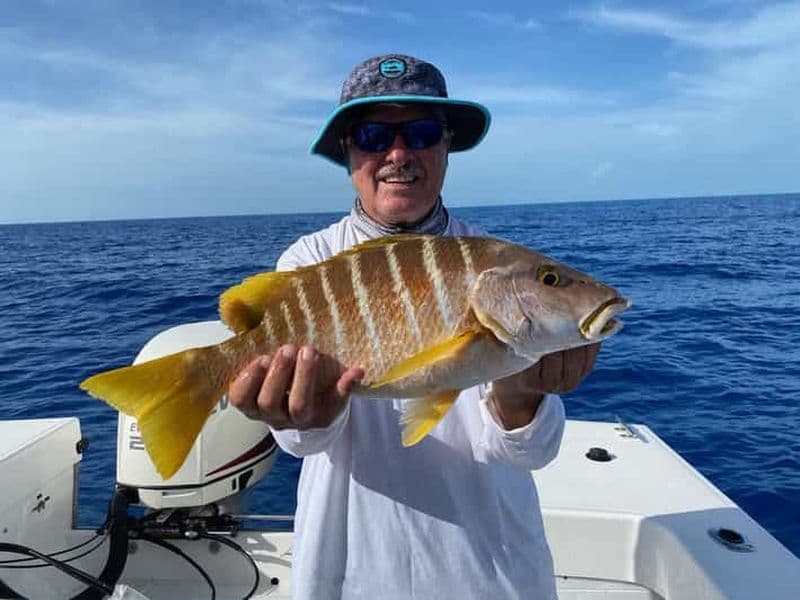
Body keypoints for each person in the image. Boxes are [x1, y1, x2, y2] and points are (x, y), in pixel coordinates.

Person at [229, 54, 600, 600]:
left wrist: (522, 393)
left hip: (492, 573)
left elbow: (528, 454)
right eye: (373, 134)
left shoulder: (496, 266)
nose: (398, 154)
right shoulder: (309, 259)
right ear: (347, 152)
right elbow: (302, 443)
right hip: (350, 571)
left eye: (423, 132)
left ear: (447, 146)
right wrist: (303, 419)